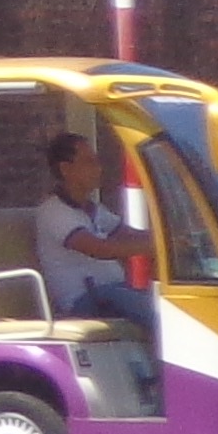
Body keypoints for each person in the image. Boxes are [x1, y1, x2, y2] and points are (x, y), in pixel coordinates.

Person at [37, 136, 156, 345]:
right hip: (84, 301)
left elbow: (127, 234)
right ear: (66, 169)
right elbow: (99, 249)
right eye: (89, 162)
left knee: (163, 299)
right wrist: (155, 247)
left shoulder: (92, 208)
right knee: (154, 311)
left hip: (113, 292)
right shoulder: (54, 211)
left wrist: (172, 241)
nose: (99, 169)